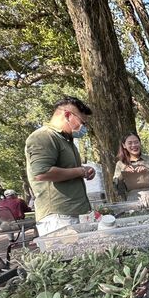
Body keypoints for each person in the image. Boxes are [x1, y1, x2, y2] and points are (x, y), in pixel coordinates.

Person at [25, 96, 95, 236]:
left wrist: (85, 171)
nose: (84, 128)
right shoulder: (44, 136)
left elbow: (70, 171)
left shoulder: (66, 140)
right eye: (82, 122)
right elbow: (42, 173)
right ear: (68, 115)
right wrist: (80, 171)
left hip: (73, 213)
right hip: (59, 217)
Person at [113, 133, 149, 206]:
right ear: (124, 145)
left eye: (136, 142)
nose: (134, 145)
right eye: (130, 143)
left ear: (140, 143)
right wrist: (122, 175)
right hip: (132, 201)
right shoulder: (120, 164)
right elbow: (117, 189)